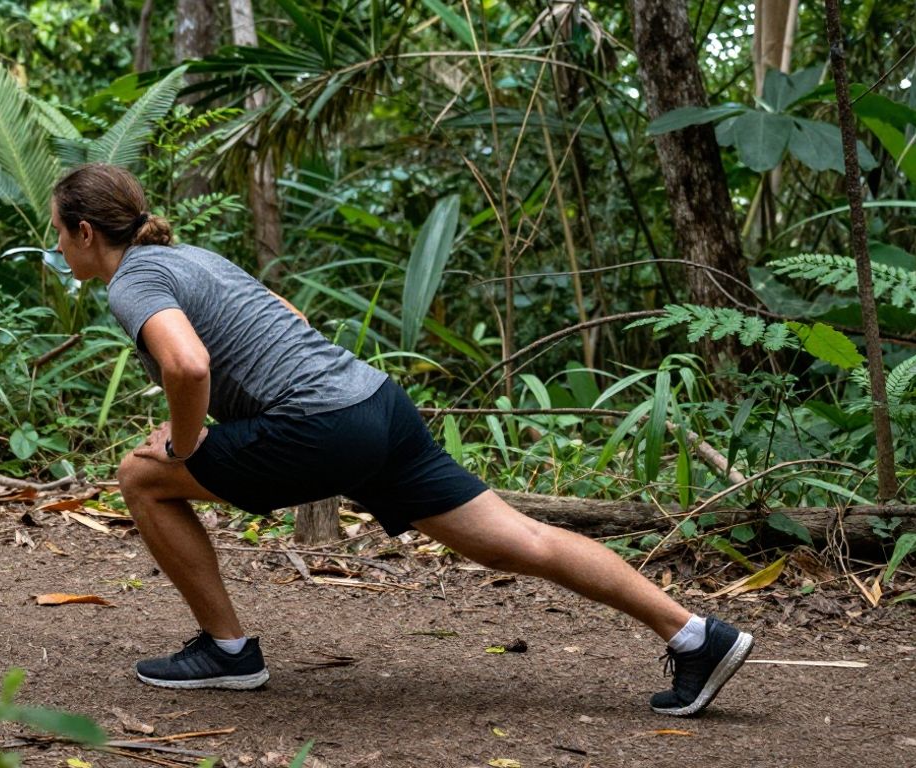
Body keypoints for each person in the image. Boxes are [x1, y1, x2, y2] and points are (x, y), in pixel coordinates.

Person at [48, 163, 753, 716]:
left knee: (143, 476)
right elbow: (284, 313)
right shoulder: (190, 256)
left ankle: (229, 652)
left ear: (85, 231)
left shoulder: (133, 280)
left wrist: (184, 440)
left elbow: (188, 363)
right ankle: (696, 636)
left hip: (322, 426)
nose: (57, 245)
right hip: (375, 404)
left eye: (58, 230)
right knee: (516, 538)